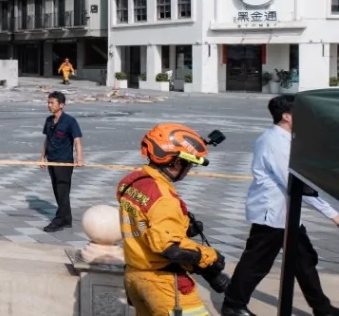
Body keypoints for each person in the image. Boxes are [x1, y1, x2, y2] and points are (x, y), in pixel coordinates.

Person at [221, 95, 339, 316]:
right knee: (257, 263)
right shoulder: (274, 142)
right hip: (272, 213)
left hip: (286, 214)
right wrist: (333, 215)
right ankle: (233, 305)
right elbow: (294, 183)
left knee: (304, 260)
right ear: (286, 116)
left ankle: (322, 308)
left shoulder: (287, 139)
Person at [117, 124, 226, 316]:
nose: (189, 170)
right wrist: (209, 256)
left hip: (134, 275)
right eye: (189, 164)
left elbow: (143, 222)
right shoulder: (163, 198)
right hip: (164, 284)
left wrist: (183, 226)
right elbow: (171, 249)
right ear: (176, 163)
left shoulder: (131, 182)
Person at [40, 91, 83, 233]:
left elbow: (77, 140)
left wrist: (79, 158)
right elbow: (47, 140)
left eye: (52, 103)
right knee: (57, 191)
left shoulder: (70, 121)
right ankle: (67, 218)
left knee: (62, 191)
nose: (49, 105)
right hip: (52, 161)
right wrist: (42, 158)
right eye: (48, 102)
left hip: (64, 162)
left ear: (61, 105)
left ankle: (59, 220)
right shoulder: (48, 120)